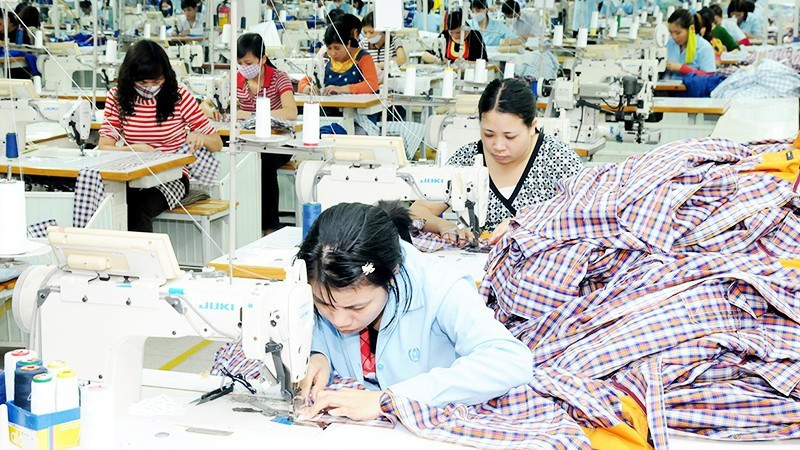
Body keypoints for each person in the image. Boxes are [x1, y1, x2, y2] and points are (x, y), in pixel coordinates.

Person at [297, 201, 532, 418]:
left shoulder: (440, 287)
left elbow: (511, 361)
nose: (339, 320)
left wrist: (389, 400)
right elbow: (314, 329)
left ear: (392, 274)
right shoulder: (323, 276)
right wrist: (319, 353)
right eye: (324, 304)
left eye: (357, 307)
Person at [411, 78, 583, 245]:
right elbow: (417, 210)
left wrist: (527, 222)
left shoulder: (558, 159)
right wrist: (443, 225)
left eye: (510, 136)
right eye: (488, 134)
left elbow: (588, 215)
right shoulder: (467, 158)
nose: (498, 146)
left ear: (532, 126)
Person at [98, 40, 223, 232]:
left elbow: (217, 143)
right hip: (133, 175)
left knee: (138, 208)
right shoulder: (117, 98)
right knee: (106, 204)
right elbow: (104, 147)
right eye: (142, 82)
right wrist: (134, 149)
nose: (150, 87)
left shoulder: (179, 96)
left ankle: (143, 252)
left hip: (173, 177)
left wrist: (200, 137)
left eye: (156, 82)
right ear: (130, 77)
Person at [203, 33, 298, 235]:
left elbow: (291, 112)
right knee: (224, 155)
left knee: (262, 162)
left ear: (262, 59)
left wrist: (253, 114)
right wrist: (212, 111)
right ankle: (240, 222)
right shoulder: (234, 79)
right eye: (239, 63)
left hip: (278, 142)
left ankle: (269, 225)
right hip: (246, 139)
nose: (243, 67)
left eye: (248, 63)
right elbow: (205, 103)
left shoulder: (278, 78)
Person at [298, 14, 379, 95]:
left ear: (348, 44)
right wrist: (308, 88)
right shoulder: (325, 59)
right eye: (329, 48)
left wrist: (341, 89)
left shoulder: (362, 58)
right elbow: (304, 82)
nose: (333, 53)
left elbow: (372, 85)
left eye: (337, 48)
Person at [664, 9, 716, 80]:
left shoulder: (704, 48)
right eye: (671, 32)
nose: (674, 36)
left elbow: (710, 77)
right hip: (667, 85)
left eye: (678, 33)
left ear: (691, 29)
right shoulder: (670, 43)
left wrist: (682, 69)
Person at [421, 10, 487, 63]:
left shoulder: (475, 36)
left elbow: (485, 62)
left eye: (458, 32)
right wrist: (437, 59)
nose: (454, 36)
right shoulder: (445, 34)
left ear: (465, 28)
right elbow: (425, 55)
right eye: (451, 32)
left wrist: (465, 63)